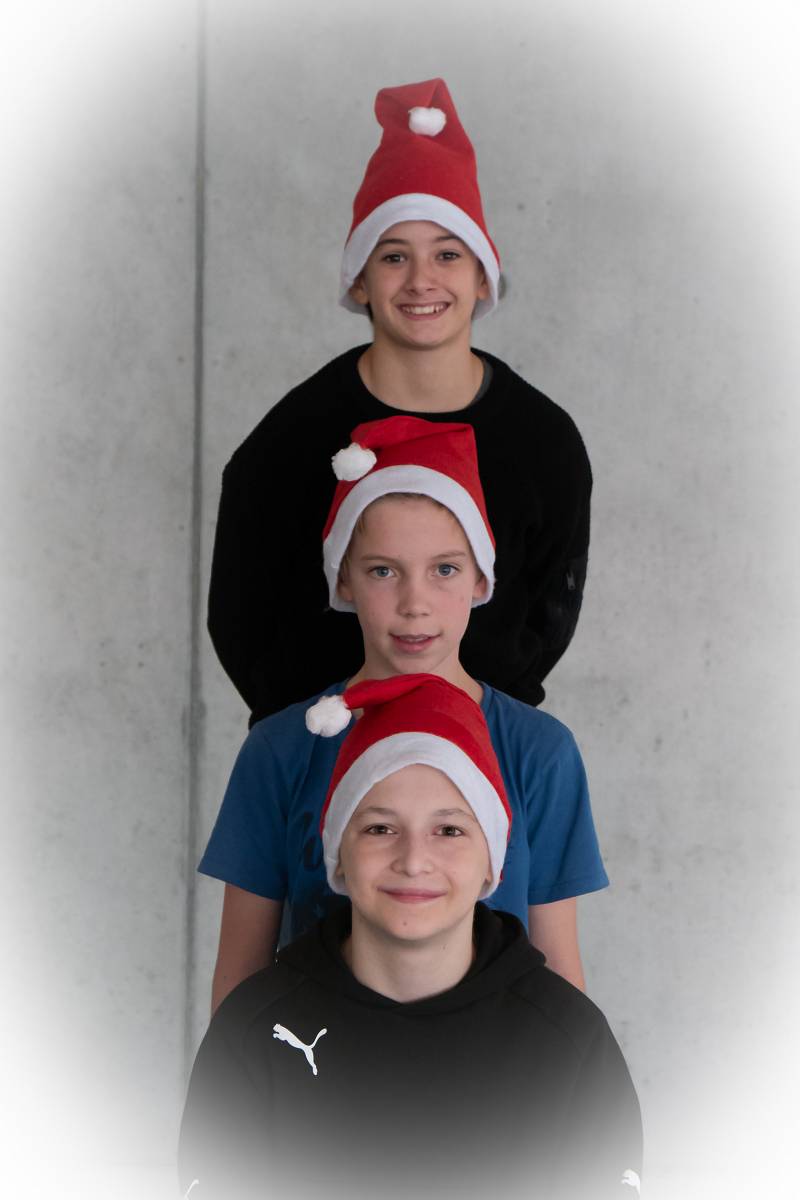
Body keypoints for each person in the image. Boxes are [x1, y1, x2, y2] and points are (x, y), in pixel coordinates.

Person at [207, 76, 592, 725]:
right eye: (393, 257)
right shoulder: (289, 441)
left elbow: (548, 617)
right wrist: (313, 739)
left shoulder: (544, 441)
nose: (421, 281)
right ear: (359, 279)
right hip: (324, 742)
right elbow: (242, 620)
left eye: (447, 254)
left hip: (481, 745)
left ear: (482, 276)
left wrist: (475, 726)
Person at [180, 675, 642, 1200]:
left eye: (449, 830)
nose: (414, 860)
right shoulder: (253, 1034)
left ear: (492, 863)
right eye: (380, 828)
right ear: (338, 854)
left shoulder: (570, 1043)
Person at [201, 416, 607, 1012]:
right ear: (344, 578)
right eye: (383, 571)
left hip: (493, 1066)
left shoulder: (539, 751)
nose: (415, 604)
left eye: (444, 569)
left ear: (481, 578)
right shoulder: (281, 748)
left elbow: (559, 978)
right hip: (318, 1064)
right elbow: (240, 976)